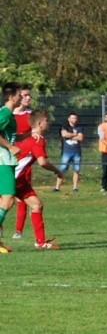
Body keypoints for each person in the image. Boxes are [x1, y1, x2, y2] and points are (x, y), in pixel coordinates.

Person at [14, 109, 64, 249]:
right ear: (40, 124)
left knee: (36, 205)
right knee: (4, 205)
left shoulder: (31, 138)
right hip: (13, 177)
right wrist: (57, 171)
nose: (49, 123)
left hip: (19, 179)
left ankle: (40, 242)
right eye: (47, 121)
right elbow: (42, 162)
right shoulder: (38, 140)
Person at [0, 82, 23, 253]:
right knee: (7, 201)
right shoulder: (6, 113)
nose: (21, 97)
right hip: (3, 161)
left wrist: (29, 134)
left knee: (4, 201)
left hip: (5, 160)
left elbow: (10, 135)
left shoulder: (8, 114)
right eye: (19, 95)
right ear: (11, 97)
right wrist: (10, 146)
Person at [12, 85, 33, 239]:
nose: (28, 98)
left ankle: (18, 230)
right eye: (25, 95)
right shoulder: (7, 114)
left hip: (24, 159)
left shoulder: (31, 115)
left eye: (29, 95)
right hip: (7, 157)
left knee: (22, 195)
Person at [54, 112, 83, 192]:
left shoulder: (79, 128)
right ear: (69, 119)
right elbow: (64, 135)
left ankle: (75, 187)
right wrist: (75, 135)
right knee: (62, 169)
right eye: (73, 118)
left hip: (77, 152)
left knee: (76, 170)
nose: (74, 120)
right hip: (66, 152)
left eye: (75, 118)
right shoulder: (65, 126)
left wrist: (69, 136)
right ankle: (57, 187)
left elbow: (80, 138)